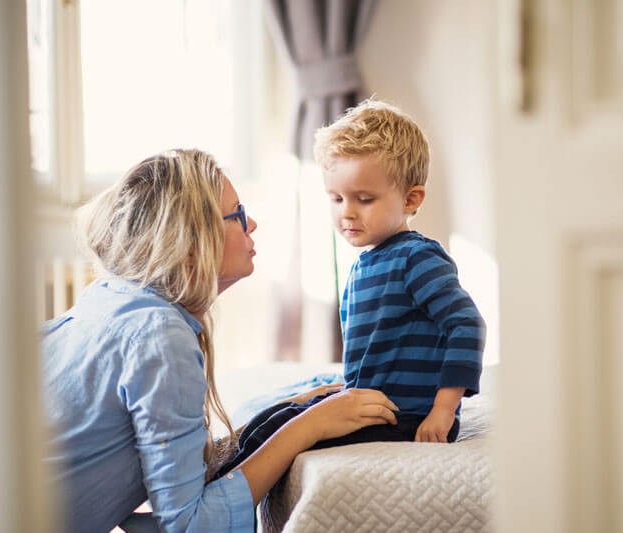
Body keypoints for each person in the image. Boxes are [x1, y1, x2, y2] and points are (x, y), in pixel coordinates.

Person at [39, 149, 399, 533]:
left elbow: (171, 478)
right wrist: (309, 426)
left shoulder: (109, 298)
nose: (253, 224)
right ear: (191, 244)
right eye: (237, 215)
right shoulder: (159, 335)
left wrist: (285, 414)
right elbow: (191, 525)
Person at [214, 99, 486, 476]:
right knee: (274, 418)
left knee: (282, 434)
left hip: (404, 417)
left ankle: (210, 496)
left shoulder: (416, 258)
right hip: (371, 405)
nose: (347, 212)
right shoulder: (366, 263)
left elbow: (467, 326)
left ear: (411, 199)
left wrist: (443, 410)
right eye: (337, 198)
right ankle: (205, 483)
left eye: (364, 199)